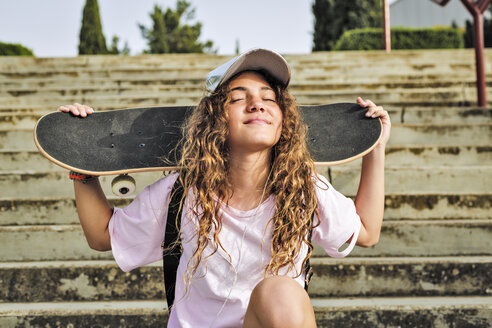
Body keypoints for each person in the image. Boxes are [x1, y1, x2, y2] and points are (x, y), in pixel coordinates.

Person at [58, 48, 391, 328]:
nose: (256, 104)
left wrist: (375, 149)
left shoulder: (302, 188)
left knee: (281, 292)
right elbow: (103, 235)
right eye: (238, 98)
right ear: (217, 119)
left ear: (283, 118)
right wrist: (82, 162)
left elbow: (367, 231)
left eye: (268, 98)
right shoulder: (183, 192)